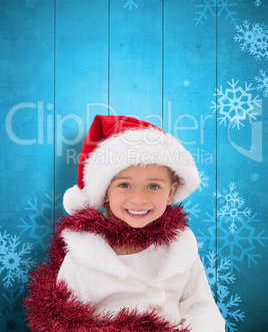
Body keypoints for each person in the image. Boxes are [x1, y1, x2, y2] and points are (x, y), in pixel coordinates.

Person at [24, 115, 225, 331]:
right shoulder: (84, 255)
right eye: (125, 185)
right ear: (105, 191)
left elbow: (201, 307)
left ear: (171, 192)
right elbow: (63, 323)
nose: (138, 199)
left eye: (153, 186)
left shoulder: (181, 243)